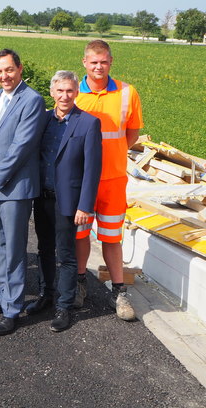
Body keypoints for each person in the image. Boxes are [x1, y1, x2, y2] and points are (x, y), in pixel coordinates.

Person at [0, 49, 45, 336]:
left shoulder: (32, 100)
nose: (4, 76)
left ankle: (13, 310)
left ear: (20, 68)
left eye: (9, 70)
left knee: (14, 250)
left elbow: (20, 148)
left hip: (14, 188)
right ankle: (1, 298)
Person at [74, 40, 143, 321]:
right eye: (93, 62)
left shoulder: (128, 93)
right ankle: (79, 284)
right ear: (84, 63)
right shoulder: (73, 92)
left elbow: (132, 135)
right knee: (79, 235)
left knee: (112, 237)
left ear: (111, 62)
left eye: (103, 61)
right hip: (80, 180)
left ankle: (119, 292)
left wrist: (112, 157)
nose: (98, 67)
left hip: (113, 179)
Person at [28, 71, 102, 332]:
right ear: (52, 92)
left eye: (69, 90)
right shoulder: (44, 120)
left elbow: (93, 170)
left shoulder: (89, 123)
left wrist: (85, 205)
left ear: (76, 92)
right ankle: (46, 295)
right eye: (60, 91)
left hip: (68, 202)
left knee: (66, 255)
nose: (65, 96)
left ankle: (64, 305)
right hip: (43, 198)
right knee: (44, 250)